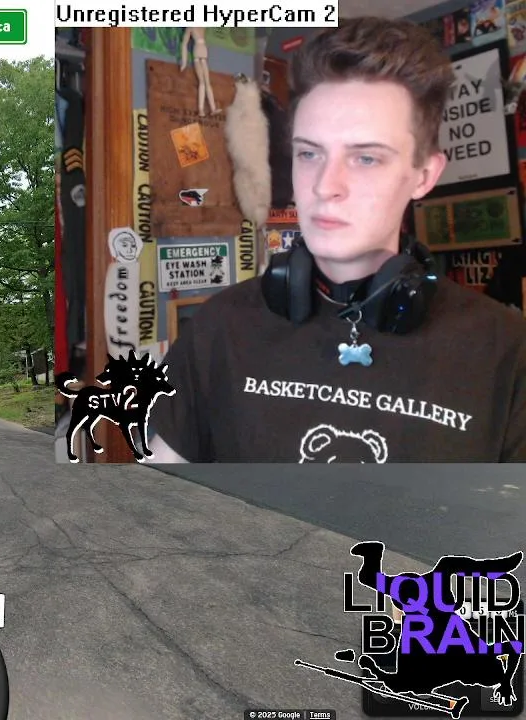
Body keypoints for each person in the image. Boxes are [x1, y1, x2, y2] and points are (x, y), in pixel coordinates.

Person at [146, 17, 526, 463]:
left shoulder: (507, 353)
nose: (326, 185)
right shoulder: (217, 329)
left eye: (366, 158)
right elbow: (158, 495)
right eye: (310, 153)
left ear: (424, 175)